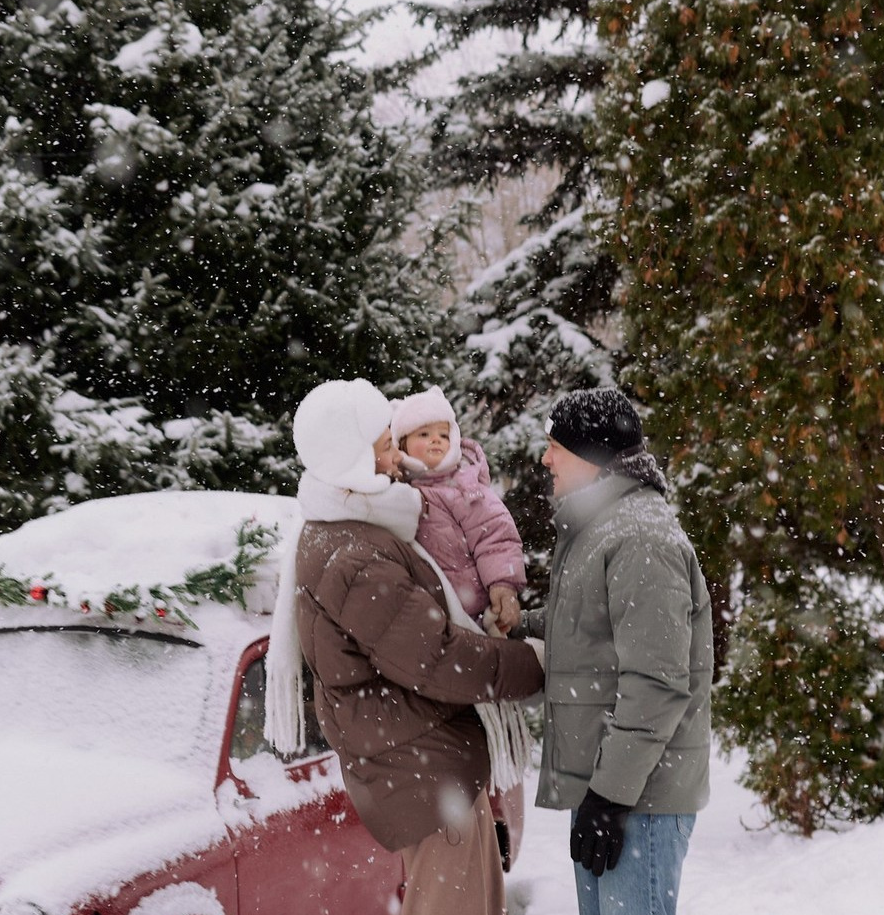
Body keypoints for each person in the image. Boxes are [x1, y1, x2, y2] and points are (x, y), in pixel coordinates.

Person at [264, 378, 544, 915]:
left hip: (431, 762)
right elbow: (439, 658)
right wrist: (533, 664)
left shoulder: (360, 525)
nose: (398, 457)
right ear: (352, 459)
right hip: (421, 772)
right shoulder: (354, 555)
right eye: (384, 447)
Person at [519, 387, 713, 915]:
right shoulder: (605, 527)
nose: (546, 459)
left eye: (555, 447)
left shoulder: (641, 536)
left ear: (591, 454)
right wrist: (519, 626)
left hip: (637, 798)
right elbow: (590, 627)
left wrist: (611, 796)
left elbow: (656, 683)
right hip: (612, 788)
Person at [392, 385, 527, 633]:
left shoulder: (464, 486)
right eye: (424, 434)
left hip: (473, 610)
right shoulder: (397, 490)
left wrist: (503, 584)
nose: (436, 440)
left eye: (444, 435)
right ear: (402, 444)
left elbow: (495, 536)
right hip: (427, 613)